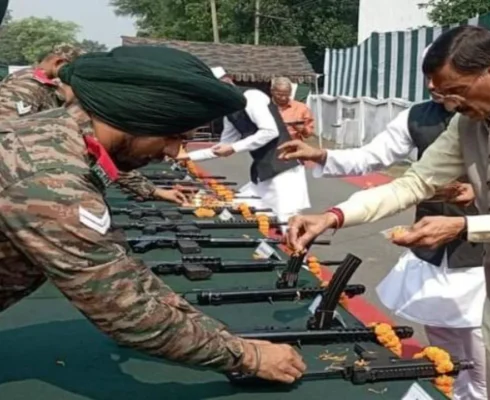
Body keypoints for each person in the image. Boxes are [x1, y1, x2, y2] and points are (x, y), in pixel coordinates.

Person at [285, 25, 490, 399]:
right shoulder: (468, 122)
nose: (450, 103)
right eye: (441, 94)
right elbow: (413, 184)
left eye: (457, 91)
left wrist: (464, 227)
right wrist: (333, 216)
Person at [0, 46, 305, 383]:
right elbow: (123, 309)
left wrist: (217, 334)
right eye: (172, 135)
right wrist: (247, 356)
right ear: (135, 120)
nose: (175, 151)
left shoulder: (55, 135)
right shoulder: (50, 178)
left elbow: (123, 268)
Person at [278, 99, 487, 399]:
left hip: (481, 249)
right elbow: (374, 156)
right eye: (430, 78)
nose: (432, 86)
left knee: (481, 352)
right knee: (443, 341)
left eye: (446, 80)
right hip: (429, 246)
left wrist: (478, 195)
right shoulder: (418, 115)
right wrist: (323, 155)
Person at [0, 43, 188, 205]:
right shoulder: (23, 89)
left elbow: (93, 150)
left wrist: (150, 190)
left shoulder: (48, 90)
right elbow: (11, 149)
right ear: (58, 63)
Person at [185, 67, 310, 225]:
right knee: (238, 206)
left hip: (284, 170)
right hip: (264, 171)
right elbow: (222, 148)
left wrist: (234, 148)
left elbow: (270, 131)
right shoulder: (230, 112)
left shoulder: (251, 97)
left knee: (286, 222)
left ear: (227, 81)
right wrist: (185, 157)